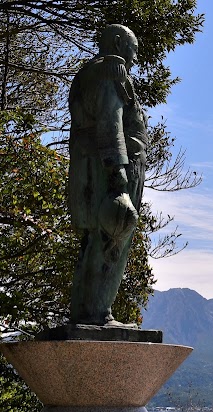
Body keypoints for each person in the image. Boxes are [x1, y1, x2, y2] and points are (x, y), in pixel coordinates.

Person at [67, 24, 148, 325]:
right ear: (117, 42)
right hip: (108, 174)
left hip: (90, 171)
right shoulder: (110, 72)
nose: (135, 58)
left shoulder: (87, 75)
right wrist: (120, 177)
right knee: (111, 242)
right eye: (133, 50)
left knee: (93, 243)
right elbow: (111, 124)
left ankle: (85, 312)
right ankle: (99, 313)